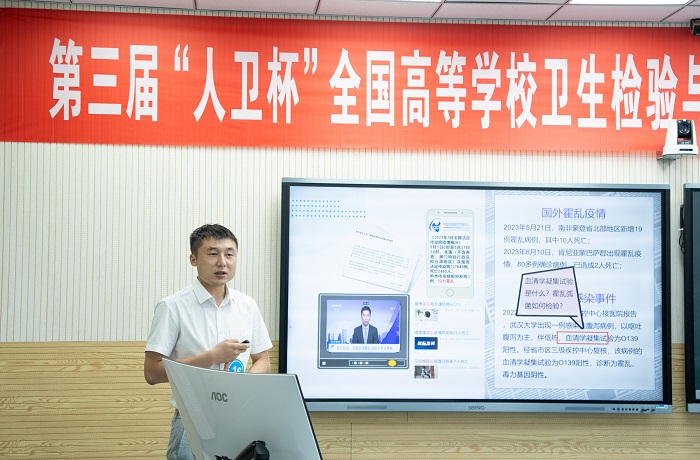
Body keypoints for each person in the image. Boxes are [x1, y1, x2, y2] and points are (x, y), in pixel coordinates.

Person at [144, 224, 273, 460]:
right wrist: (211, 357)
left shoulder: (247, 306)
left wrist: (242, 385)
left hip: (238, 417)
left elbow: (262, 360)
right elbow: (152, 373)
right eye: (213, 254)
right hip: (193, 420)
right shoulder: (172, 307)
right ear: (193, 259)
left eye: (229, 254)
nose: (222, 262)